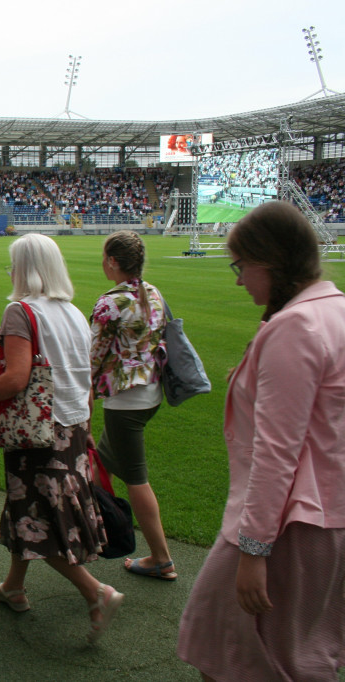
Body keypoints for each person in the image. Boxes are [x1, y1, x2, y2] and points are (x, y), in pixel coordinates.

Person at [178, 202, 345, 680]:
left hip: (290, 525)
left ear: (271, 262)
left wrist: (253, 550)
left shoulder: (297, 326)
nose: (238, 279)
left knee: (237, 657)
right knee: (295, 654)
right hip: (323, 516)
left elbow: (277, 452)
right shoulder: (333, 310)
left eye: (241, 266)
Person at [0, 233, 123, 644]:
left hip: (38, 431)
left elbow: (16, 378)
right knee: (29, 505)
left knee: (41, 516)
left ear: (22, 267)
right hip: (73, 426)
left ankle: (96, 592)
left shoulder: (20, 312)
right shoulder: (73, 313)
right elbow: (85, 379)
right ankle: (13, 587)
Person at [89, 231, 176, 580]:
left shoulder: (111, 302)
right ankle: (91, 533)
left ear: (112, 261)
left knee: (137, 480)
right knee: (97, 466)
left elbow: (91, 357)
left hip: (126, 401)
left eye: (104, 258)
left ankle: (161, 558)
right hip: (150, 393)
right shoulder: (152, 292)